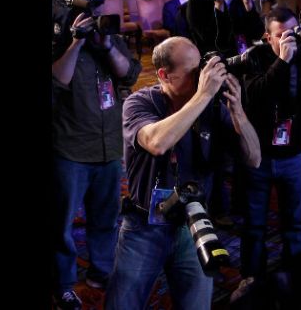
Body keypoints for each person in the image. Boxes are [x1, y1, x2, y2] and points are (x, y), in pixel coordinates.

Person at [104, 37, 261, 310]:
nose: (202, 76)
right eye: (192, 72)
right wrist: (203, 96)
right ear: (164, 74)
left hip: (194, 225)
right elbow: (157, 142)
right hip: (145, 226)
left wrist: (238, 113)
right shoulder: (140, 102)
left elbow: (254, 158)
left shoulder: (212, 107)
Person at [230, 6, 301, 305]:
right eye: (281, 36)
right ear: (267, 37)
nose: (288, 41)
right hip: (260, 157)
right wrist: (282, 60)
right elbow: (255, 95)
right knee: (254, 225)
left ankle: (295, 274)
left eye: (292, 34)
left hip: (294, 154)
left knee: (295, 223)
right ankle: (252, 278)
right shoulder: (254, 58)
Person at [51, 0, 142, 309]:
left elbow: (130, 72)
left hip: (108, 143)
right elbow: (57, 80)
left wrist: (105, 45)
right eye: (87, 1)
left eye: (97, 1)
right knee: (61, 223)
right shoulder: (59, 35)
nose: (94, 8)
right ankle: (63, 282)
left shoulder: (109, 33)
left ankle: (100, 270)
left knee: (106, 216)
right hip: (71, 146)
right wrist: (75, 41)